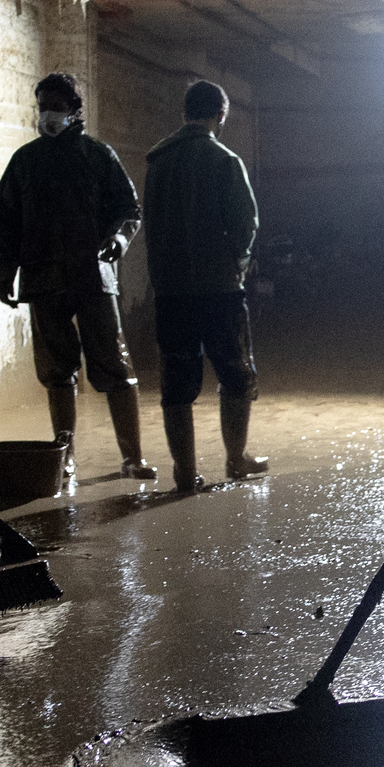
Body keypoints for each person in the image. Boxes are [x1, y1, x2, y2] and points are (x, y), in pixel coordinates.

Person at [0, 71, 153, 484]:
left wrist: (119, 238)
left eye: (56, 106)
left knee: (115, 366)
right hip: (43, 280)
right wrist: (4, 272)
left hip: (92, 278)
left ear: (75, 111)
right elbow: (3, 221)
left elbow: (129, 208)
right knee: (57, 372)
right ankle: (66, 457)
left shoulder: (97, 156)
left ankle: (132, 457)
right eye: (42, 105)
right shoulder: (24, 162)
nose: (48, 114)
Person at [142, 79, 266, 490]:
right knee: (235, 373)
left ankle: (184, 472)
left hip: (170, 291)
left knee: (176, 381)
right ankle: (235, 460)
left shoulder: (157, 162)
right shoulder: (224, 160)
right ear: (221, 115)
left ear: (184, 113)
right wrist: (238, 259)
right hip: (218, 289)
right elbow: (245, 225)